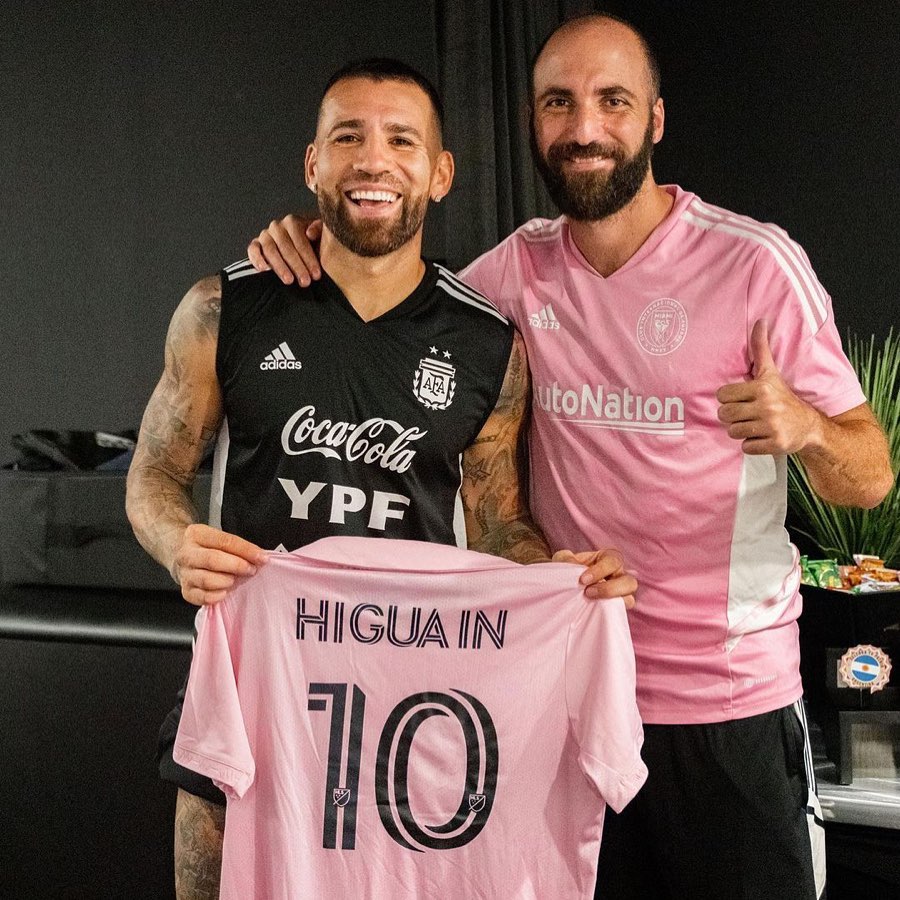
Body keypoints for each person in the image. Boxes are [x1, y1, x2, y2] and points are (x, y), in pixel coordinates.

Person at [247, 15, 894, 900]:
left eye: (612, 101)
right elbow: (392, 299)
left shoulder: (754, 266)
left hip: (726, 705)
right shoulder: (513, 273)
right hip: (563, 695)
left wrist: (809, 428)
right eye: (558, 103)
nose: (584, 128)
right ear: (533, 121)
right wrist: (309, 241)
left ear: (655, 119)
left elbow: (871, 477)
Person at [127, 57, 636, 900]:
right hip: (253, 699)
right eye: (348, 138)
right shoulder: (225, 310)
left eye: (401, 140)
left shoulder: (487, 344)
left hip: (414, 715)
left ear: (440, 174)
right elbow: (153, 472)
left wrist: (562, 579)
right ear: (312, 163)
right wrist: (179, 543)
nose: (372, 160)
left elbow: (498, 523)